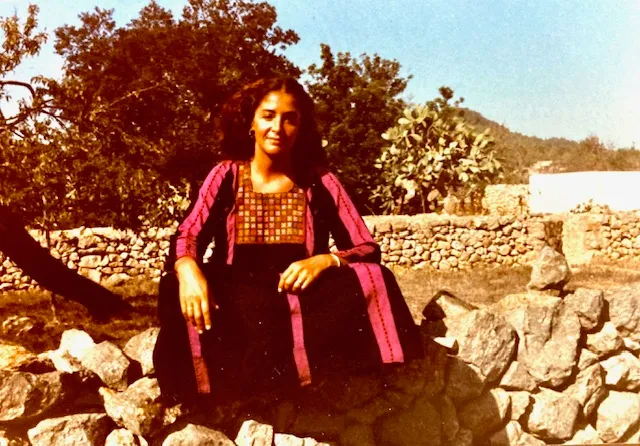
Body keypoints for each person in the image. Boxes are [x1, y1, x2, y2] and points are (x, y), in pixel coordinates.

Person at [153, 77, 423, 404]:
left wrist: (325, 260)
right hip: (239, 298)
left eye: (289, 118)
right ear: (250, 122)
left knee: (374, 277)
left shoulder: (320, 180)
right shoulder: (225, 175)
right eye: (268, 116)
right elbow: (189, 233)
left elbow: (366, 247)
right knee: (174, 288)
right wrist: (188, 270)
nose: (277, 127)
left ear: (301, 127)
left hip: (305, 299)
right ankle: (207, 388)